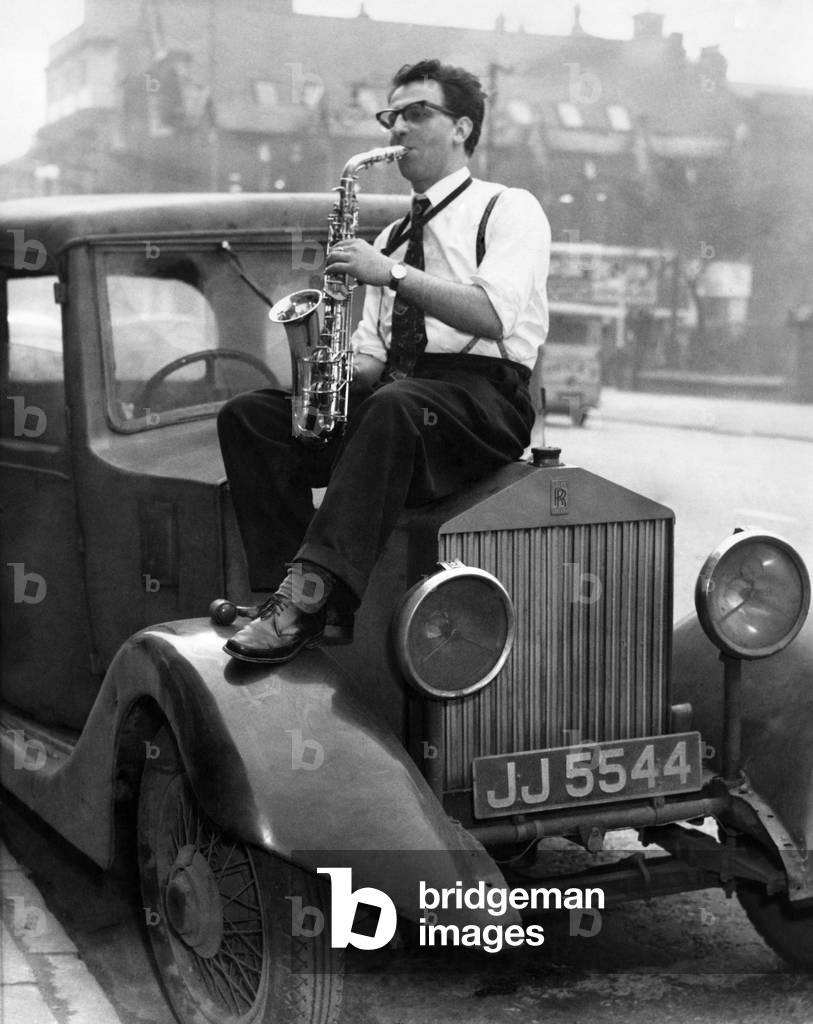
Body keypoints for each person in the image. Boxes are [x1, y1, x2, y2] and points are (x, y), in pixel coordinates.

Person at [217, 58, 550, 664]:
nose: (397, 129)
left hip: (482, 399)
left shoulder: (508, 208)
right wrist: (329, 373)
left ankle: (309, 598)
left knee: (396, 405)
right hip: (403, 403)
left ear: (463, 129)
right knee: (249, 416)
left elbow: (493, 315)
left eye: (418, 113)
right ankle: (290, 597)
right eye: (390, 116)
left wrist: (389, 272)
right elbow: (374, 360)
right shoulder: (393, 233)